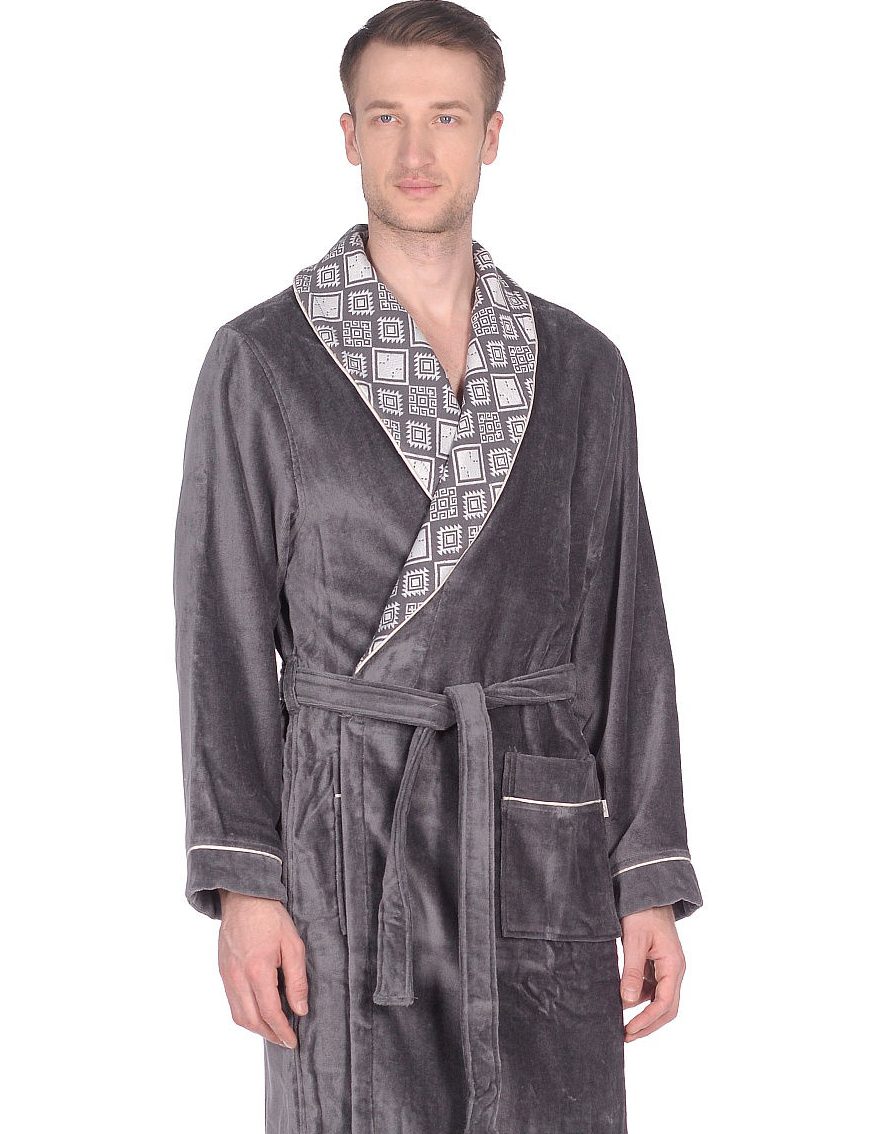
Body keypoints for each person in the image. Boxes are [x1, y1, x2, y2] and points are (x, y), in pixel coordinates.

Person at [172, 3, 703, 1131]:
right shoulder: (263, 360)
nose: (417, 151)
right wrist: (246, 884)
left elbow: (628, 631)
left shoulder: (582, 367)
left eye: (448, 118)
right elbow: (221, 633)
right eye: (387, 117)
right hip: (348, 837)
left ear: (493, 135)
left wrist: (647, 874)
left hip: (538, 834)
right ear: (348, 135)